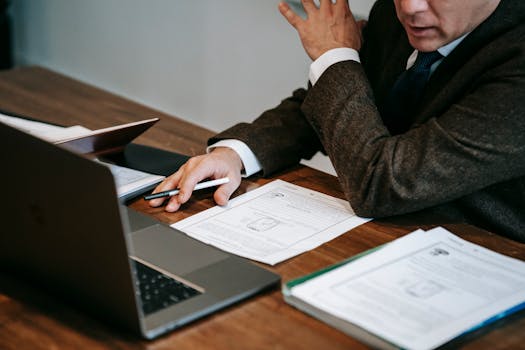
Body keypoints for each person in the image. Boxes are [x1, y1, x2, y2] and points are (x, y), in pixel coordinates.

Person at [150, 0, 525, 242]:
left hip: (489, 258)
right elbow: (343, 102)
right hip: (392, 235)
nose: (410, 8)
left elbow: (381, 184)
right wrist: (236, 154)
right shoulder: (397, 15)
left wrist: (334, 57)